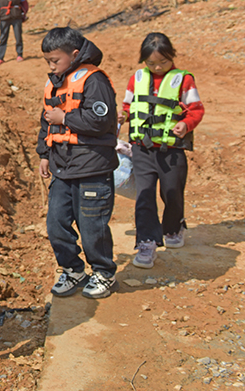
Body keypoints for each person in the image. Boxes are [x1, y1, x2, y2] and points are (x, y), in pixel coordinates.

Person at [38, 27, 118, 299]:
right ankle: (73, 270)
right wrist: (44, 154)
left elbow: (102, 121)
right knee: (56, 223)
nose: (51, 66)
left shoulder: (94, 80)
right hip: (63, 167)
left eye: (54, 60)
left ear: (74, 55)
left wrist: (66, 119)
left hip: (93, 167)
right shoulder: (55, 83)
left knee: (92, 225)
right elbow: (46, 121)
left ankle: (104, 272)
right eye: (47, 61)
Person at [121, 33, 204, 269]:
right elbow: (128, 106)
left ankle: (174, 227)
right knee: (144, 194)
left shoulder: (184, 80)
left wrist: (185, 124)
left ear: (172, 57)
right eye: (151, 63)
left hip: (171, 150)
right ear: (143, 61)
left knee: (172, 191)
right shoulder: (136, 78)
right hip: (142, 149)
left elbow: (196, 109)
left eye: (163, 62)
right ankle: (146, 242)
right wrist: (123, 115)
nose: (157, 68)